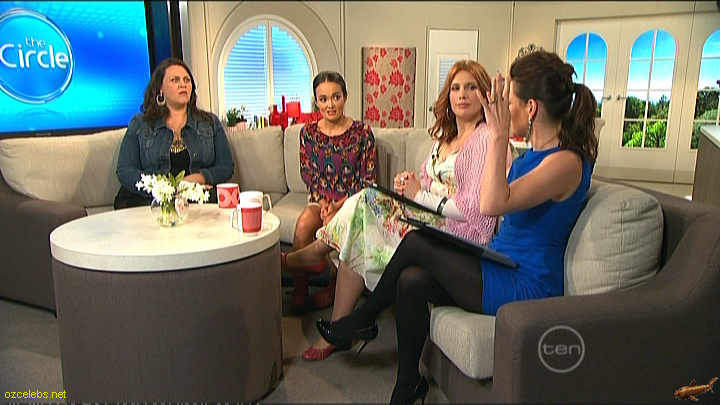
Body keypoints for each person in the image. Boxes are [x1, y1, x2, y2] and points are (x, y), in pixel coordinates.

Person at [315, 50, 598, 404]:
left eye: (508, 102)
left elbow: (490, 204)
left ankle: (361, 318)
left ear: (530, 108)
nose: (502, 109)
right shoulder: (532, 157)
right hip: (499, 264)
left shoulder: (566, 162)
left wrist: (497, 136)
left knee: (416, 241)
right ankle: (407, 385)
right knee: (411, 280)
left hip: (527, 283)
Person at [282, 60, 511, 361]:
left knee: (366, 200)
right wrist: (410, 184)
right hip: (430, 217)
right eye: (456, 88)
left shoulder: (484, 139)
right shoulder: (446, 137)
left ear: (483, 95)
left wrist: (420, 195)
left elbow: (477, 212)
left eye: (470, 87)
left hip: (458, 232)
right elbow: (427, 183)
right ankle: (340, 324)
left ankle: (315, 255)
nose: (462, 95)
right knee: (361, 223)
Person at [284, 71, 378, 315]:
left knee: (332, 224)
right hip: (320, 199)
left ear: (345, 97)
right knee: (304, 225)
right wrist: (323, 201)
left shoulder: (362, 132)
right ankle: (300, 290)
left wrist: (337, 206)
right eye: (323, 99)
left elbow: (368, 179)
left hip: (351, 201)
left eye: (336, 97)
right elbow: (308, 172)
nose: (330, 105)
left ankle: (333, 289)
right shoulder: (308, 133)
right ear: (316, 101)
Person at [114, 57, 234, 209]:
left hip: (195, 195)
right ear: (160, 89)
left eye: (187, 80)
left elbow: (226, 167)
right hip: (149, 198)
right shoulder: (140, 124)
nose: (183, 84)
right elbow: (125, 171)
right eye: (175, 80)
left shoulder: (210, 122)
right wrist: (164, 188)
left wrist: (196, 179)